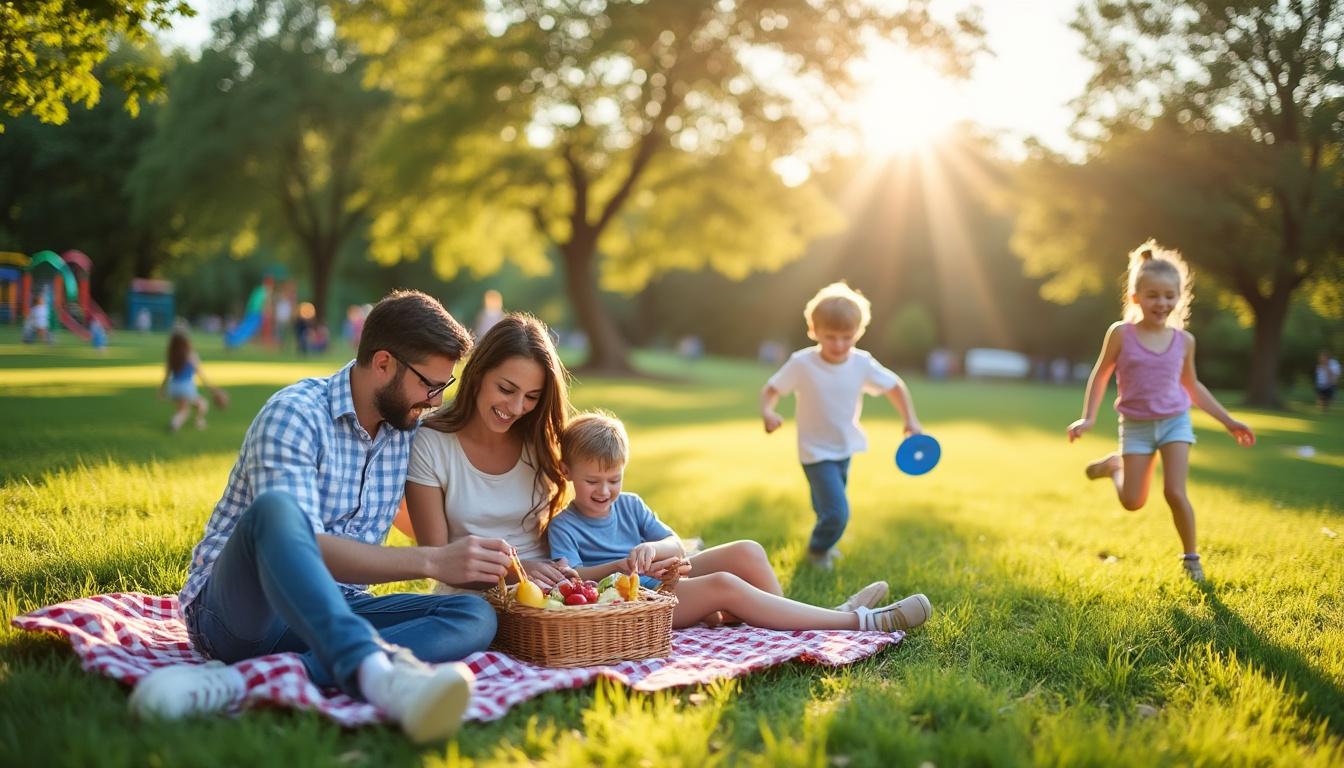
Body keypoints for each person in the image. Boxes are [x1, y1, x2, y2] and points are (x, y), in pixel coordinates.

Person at [130, 290, 511, 744]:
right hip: (242, 615)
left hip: (337, 610)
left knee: (473, 616)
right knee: (274, 511)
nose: (434, 400)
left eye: (442, 387)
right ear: (384, 363)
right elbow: (302, 549)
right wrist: (431, 562)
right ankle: (377, 671)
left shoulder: (406, 429)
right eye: (430, 384)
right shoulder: (295, 414)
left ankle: (241, 683)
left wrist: (509, 558)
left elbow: (432, 520)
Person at [547, 412, 932, 632]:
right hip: (639, 601)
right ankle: (857, 623)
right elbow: (573, 580)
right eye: (592, 482)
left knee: (748, 551)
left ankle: (806, 620)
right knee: (723, 585)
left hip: (665, 577)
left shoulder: (629, 505)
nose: (604, 491)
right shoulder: (564, 525)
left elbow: (674, 544)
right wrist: (620, 565)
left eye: (613, 480)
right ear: (566, 472)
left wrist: (653, 548)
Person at [1068, 241, 1255, 582]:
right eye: (1153, 295)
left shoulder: (1184, 341)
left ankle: (1191, 558)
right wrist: (1089, 417)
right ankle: (1115, 467)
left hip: (1174, 423)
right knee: (1132, 502)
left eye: (1169, 296)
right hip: (1136, 426)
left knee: (1174, 492)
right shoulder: (1121, 334)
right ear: (1136, 297)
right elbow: (1100, 374)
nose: (1162, 303)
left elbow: (1193, 387)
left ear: (1179, 298)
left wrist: (1229, 421)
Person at [405, 313, 579, 593]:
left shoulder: (539, 440)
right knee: (479, 623)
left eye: (532, 396)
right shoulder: (431, 443)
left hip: (546, 591)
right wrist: (516, 571)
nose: (517, 407)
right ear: (478, 375)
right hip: (471, 596)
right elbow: (437, 559)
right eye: (506, 389)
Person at [760, 282, 924, 569]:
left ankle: (827, 540)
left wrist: (910, 419)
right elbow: (772, 388)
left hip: (844, 446)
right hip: (814, 450)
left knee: (826, 507)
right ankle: (817, 550)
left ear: (858, 332)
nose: (838, 345)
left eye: (846, 337)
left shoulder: (862, 363)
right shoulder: (802, 363)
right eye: (830, 336)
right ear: (814, 331)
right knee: (837, 512)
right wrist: (768, 411)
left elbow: (894, 387)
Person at [160, 329, 222, 432]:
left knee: (196, 405)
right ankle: (175, 423)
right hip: (186, 387)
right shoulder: (190, 355)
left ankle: (197, 421)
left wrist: (161, 390)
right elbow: (200, 374)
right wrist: (212, 389)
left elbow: (166, 374)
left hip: (173, 387)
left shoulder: (172, 356)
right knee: (189, 410)